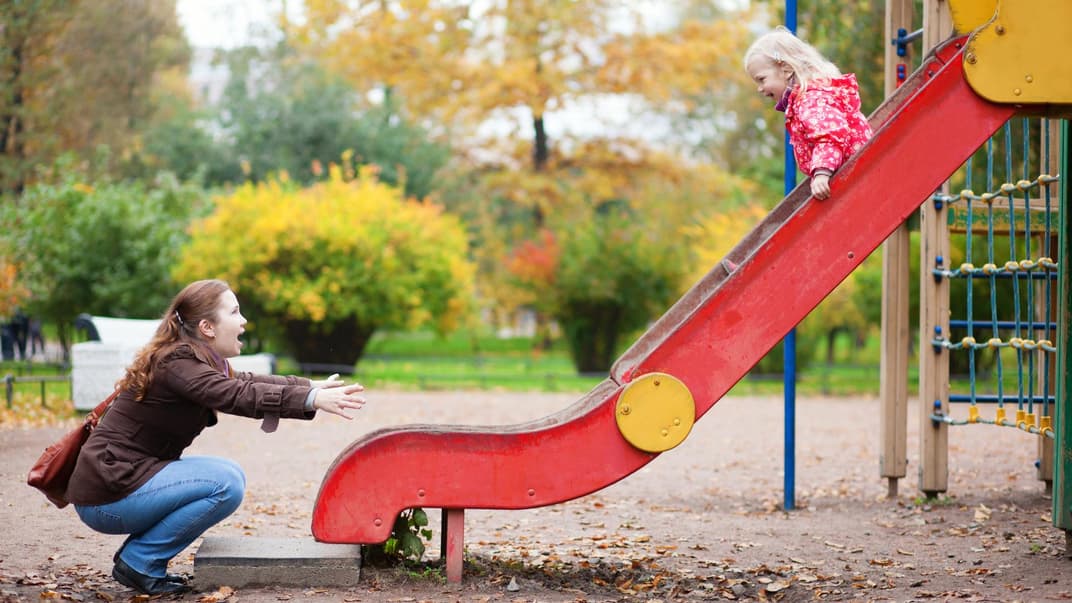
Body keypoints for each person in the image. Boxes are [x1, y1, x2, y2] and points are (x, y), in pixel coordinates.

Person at [66, 279, 367, 596]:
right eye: (235, 312)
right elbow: (236, 393)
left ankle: (141, 560)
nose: (244, 321)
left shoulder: (196, 360)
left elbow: (248, 380)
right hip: (107, 495)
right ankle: (140, 562)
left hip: (119, 484)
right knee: (224, 482)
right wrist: (311, 399)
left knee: (228, 476)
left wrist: (309, 386)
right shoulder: (178, 363)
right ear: (208, 327)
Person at [744, 26, 873, 200]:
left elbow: (830, 136)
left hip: (856, 170)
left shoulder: (811, 101)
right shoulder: (805, 100)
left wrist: (821, 173)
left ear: (786, 69)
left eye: (761, 79)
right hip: (851, 168)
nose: (759, 89)